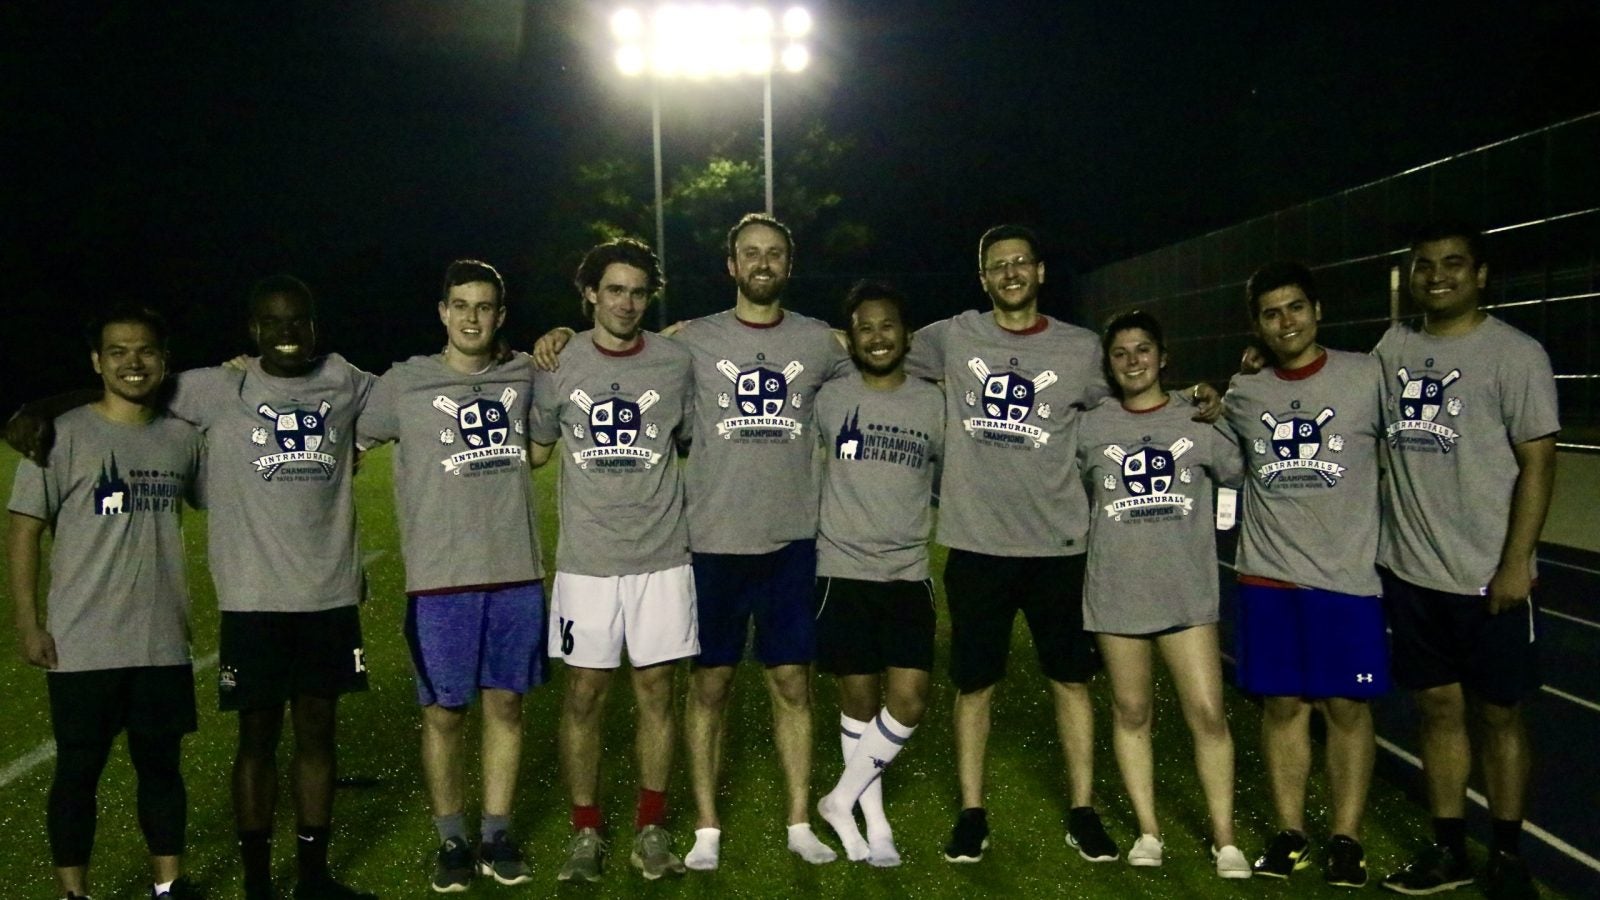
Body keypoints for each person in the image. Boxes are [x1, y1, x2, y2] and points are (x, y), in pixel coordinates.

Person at [6, 275, 380, 900]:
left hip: (278, 608)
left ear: (314, 326)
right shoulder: (210, 388)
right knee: (98, 766)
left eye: (298, 321)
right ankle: (235, 884)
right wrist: (42, 408)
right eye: (271, 321)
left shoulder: (342, 381)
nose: (287, 333)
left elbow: (418, 397)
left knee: (283, 741)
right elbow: (132, 389)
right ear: (252, 329)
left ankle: (271, 881)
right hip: (217, 609)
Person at [534, 213, 852, 869]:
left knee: (770, 684)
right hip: (686, 547)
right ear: (731, 266)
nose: (762, 263)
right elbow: (546, 430)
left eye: (774, 254)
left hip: (763, 546)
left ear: (788, 266)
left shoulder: (808, 343)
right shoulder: (682, 346)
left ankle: (782, 821)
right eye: (749, 254)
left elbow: (884, 352)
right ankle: (642, 829)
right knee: (651, 691)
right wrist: (557, 337)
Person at [905, 224, 1119, 864]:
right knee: (974, 684)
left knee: (1071, 681)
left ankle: (1084, 809)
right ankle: (973, 812)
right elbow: (867, 347)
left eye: (1021, 262)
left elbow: (1135, 401)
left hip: (1058, 545)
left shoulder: (1080, 349)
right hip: (977, 545)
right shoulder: (952, 336)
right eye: (997, 266)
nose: (1011, 273)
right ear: (983, 277)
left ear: (1041, 271)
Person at [1375, 224, 1557, 900]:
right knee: (1438, 711)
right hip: (1412, 572)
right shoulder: (1394, 347)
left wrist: (1516, 562)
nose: (1437, 276)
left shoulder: (1516, 354)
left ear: (1480, 274)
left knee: (1501, 715)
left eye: (1453, 264)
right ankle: (1448, 848)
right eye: (1424, 265)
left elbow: (1539, 464)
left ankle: (1506, 852)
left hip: (1488, 575)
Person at [357, 260, 546, 893]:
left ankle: (496, 831)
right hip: (440, 581)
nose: (471, 317)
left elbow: (571, 378)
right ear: (442, 311)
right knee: (443, 714)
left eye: (484, 306)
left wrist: (566, 338)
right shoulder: (403, 383)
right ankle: (453, 839)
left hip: (516, 572)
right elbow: (341, 438)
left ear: (500, 315)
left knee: (507, 705)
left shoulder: (522, 374)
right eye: (460, 305)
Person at [8, 306, 204, 900]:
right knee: (76, 776)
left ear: (164, 359)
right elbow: (22, 530)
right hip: (82, 641)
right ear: (97, 362)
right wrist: (28, 623)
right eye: (117, 351)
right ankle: (75, 893)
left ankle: (167, 887)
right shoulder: (59, 434)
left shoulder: (182, 438)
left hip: (161, 639)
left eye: (144, 350)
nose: (132, 362)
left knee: (162, 773)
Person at [528, 239, 697, 883]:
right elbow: (538, 449)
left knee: (658, 692)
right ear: (590, 294)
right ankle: (585, 831)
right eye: (615, 290)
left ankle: (650, 828)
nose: (626, 302)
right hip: (586, 563)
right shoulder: (558, 361)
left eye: (638, 291)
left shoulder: (675, 361)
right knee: (584, 696)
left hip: (661, 557)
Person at [1222, 261, 1388, 888]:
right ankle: (1290, 833)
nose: (1285, 321)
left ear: (1317, 310)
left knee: (1348, 708)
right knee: (1283, 707)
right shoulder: (1245, 392)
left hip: (1346, 582)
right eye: (1270, 313)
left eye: (1294, 307)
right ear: (1257, 326)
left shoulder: (1366, 376)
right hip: (1267, 579)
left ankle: (1347, 837)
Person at [1075, 311, 1249, 877]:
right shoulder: (1092, 425)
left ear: (1163, 355)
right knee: (1130, 712)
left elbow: (1239, 469)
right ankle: (1148, 831)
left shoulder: (1197, 416)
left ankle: (1225, 839)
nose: (1132, 361)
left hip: (1186, 597)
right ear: (1109, 363)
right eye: (1121, 353)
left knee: (1208, 714)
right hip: (1116, 595)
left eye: (1143, 349)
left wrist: (1222, 395)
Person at [811, 280, 944, 868]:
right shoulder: (829, 396)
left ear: (907, 334)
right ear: (851, 338)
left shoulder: (935, 402)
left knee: (910, 700)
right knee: (858, 705)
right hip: (842, 572)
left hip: (909, 572)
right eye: (864, 327)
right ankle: (876, 823)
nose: (877, 336)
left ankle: (839, 799)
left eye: (887, 325)